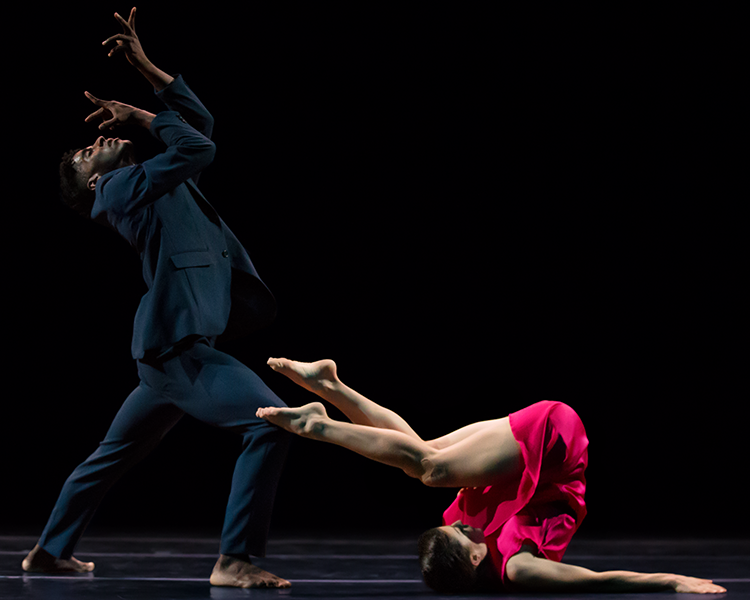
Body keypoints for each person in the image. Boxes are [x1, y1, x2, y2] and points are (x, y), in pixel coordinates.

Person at [22, 8, 292, 589]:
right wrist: (145, 117)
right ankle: (235, 558)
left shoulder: (155, 179)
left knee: (109, 456)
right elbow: (198, 148)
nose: (96, 141)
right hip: (179, 348)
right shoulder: (120, 190)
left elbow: (199, 126)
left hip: (166, 348)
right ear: (92, 179)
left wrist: (147, 68)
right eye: (84, 152)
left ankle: (48, 551)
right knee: (270, 424)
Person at [257, 358, 727, 594]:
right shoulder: (518, 567)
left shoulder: (475, 530)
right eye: (462, 532)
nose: (462, 520)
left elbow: (416, 457)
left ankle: (331, 386)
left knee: (427, 454)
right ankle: (316, 424)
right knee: (432, 467)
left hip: (530, 454)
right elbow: (595, 579)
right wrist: (668, 581)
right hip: (556, 446)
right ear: (478, 557)